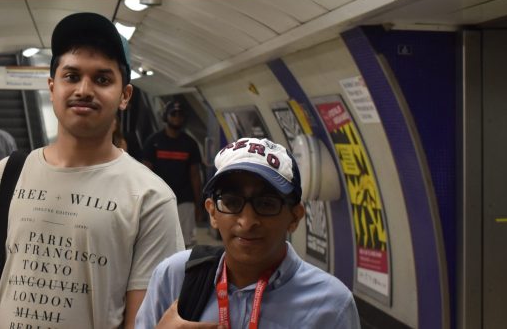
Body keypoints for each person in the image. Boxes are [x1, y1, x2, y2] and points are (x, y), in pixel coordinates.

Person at [0, 12, 184, 329]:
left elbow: (142, 320)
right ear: (52, 87)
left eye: (102, 79)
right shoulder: (9, 174)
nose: (84, 90)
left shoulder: (150, 197)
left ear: (125, 96)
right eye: (72, 76)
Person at [135, 138, 360, 328]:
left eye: (267, 204)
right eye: (232, 202)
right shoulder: (176, 277)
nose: (247, 221)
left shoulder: (331, 304)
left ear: (294, 217)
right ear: (212, 213)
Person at [143, 100, 204, 247]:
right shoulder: (154, 141)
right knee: (160, 240)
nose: (177, 117)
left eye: (180, 115)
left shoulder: (190, 144)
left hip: (184, 200)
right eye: (173, 114)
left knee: (185, 242)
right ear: (166, 116)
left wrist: (198, 204)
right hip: (159, 199)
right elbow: (145, 172)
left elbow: (195, 175)